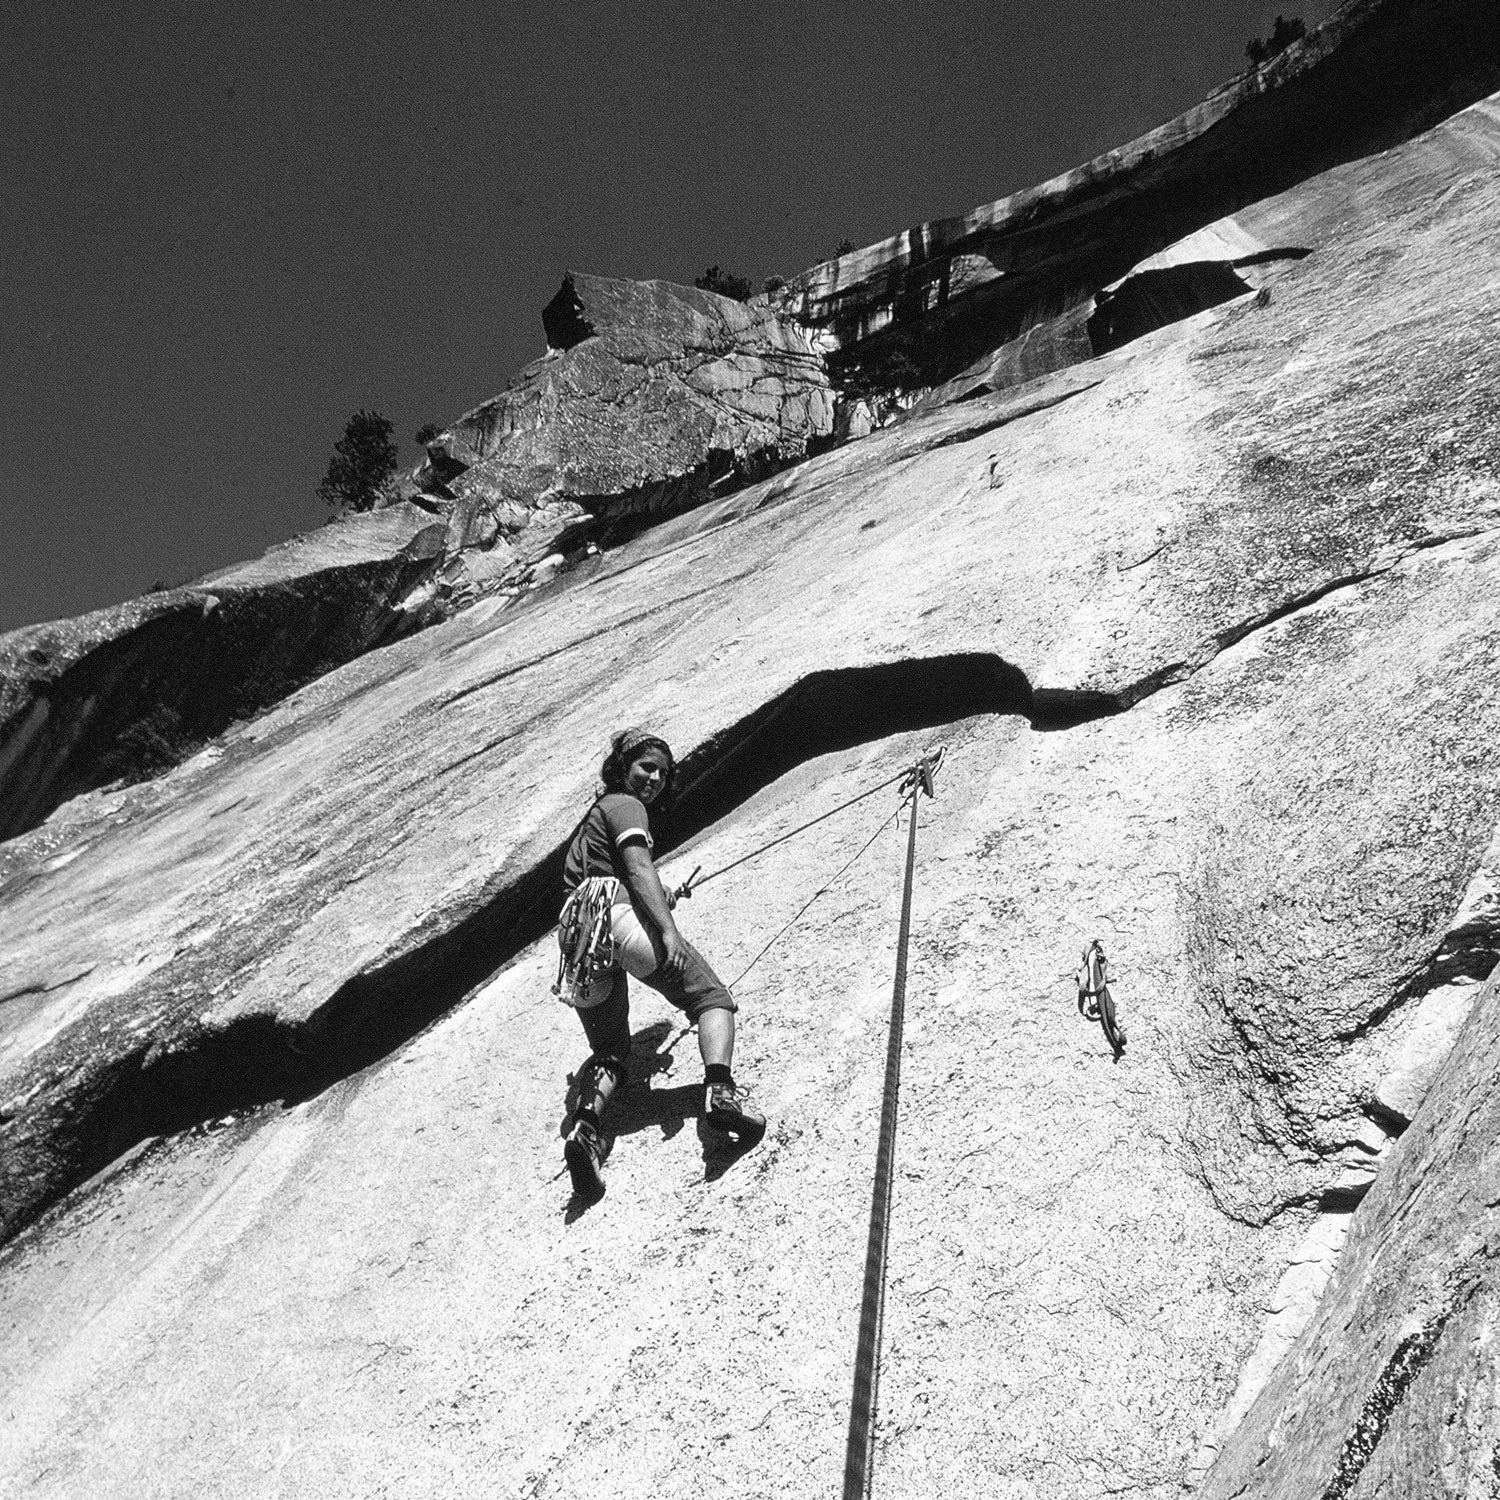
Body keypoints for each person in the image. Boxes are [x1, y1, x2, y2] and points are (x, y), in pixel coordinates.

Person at [555, 727, 765, 1200]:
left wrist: (657, 893)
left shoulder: (591, 821)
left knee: (611, 1050)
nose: (654, 778)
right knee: (711, 999)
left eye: (663, 773)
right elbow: (636, 869)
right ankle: (721, 1093)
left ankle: (586, 1130)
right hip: (620, 921)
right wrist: (667, 928)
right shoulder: (626, 806)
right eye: (646, 767)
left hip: (581, 940)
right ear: (622, 768)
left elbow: (611, 877)